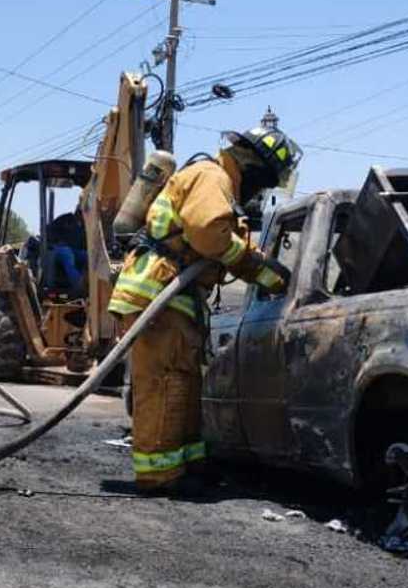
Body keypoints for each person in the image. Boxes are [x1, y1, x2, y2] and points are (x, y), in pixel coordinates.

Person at [108, 125, 301, 494]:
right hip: (159, 294)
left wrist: (260, 268)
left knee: (184, 382)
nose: (261, 192)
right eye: (265, 182)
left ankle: (188, 463)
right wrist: (255, 265)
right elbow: (208, 234)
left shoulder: (216, 180)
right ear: (255, 168)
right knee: (165, 384)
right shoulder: (213, 177)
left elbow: (216, 241)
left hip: (175, 297)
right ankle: (159, 475)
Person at [46, 211, 87, 298]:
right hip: (56, 248)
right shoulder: (67, 218)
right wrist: (58, 241)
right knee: (68, 254)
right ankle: (79, 285)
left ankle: (89, 283)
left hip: (72, 250)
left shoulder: (85, 228)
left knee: (88, 256)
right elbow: (48, 229)